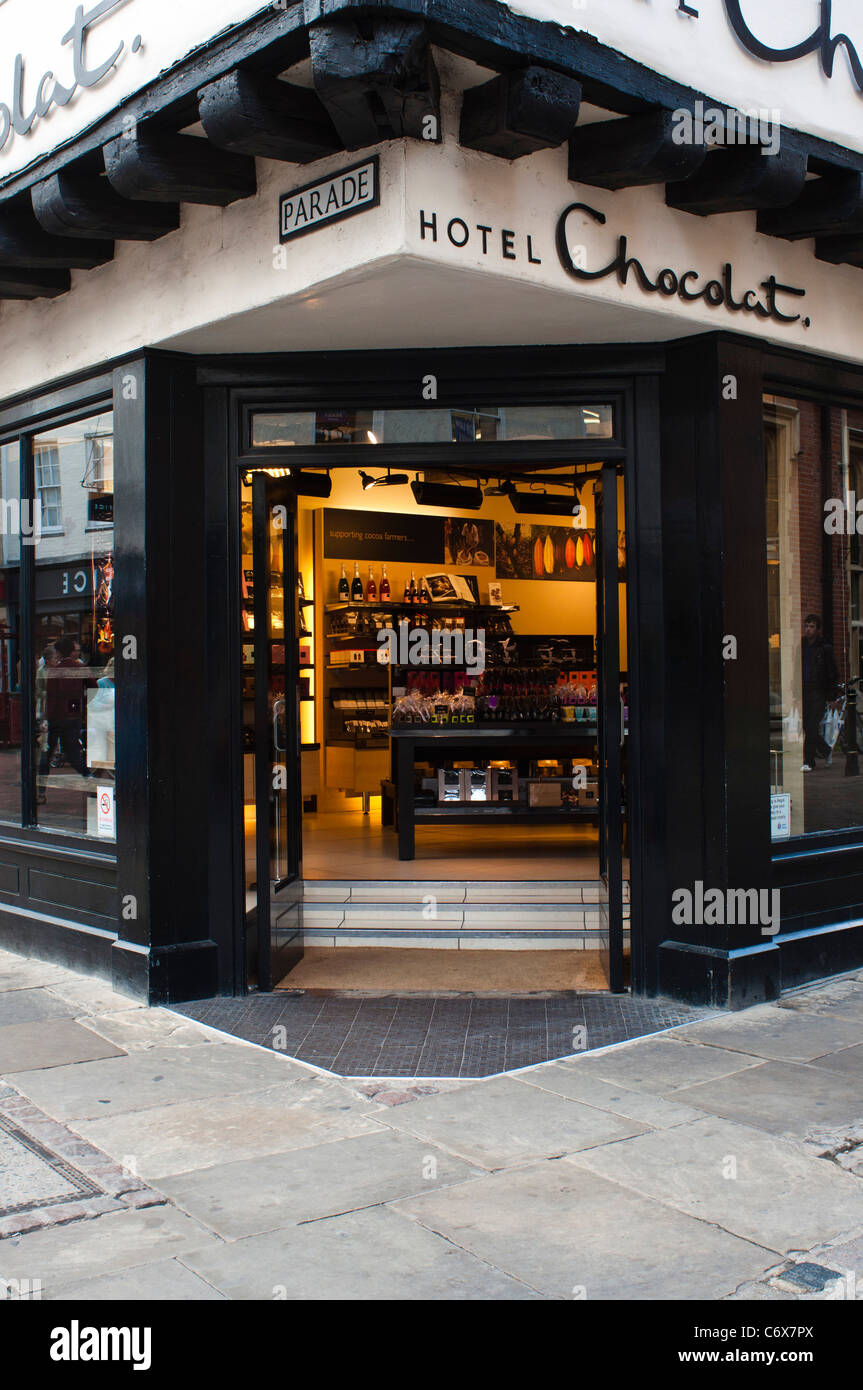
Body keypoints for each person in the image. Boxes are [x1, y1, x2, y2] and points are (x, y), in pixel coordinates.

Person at [38, 635, 88, 790]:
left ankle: (40, 790)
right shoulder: (75, 667)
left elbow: (52, 697)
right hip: (63, 715)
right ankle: (90, 779)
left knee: (51, 755)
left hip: (56, 716)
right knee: (67, 754)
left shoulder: (59, 670)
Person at [798, 615, 840, 772]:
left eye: (812, 626)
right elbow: (796, 668)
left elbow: (832, 673)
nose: (808, 629)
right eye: (806, 626)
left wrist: (831, 697)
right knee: (807, 727)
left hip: (819, 692)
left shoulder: (824, 648)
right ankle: (826, 750)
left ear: (818, 629)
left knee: (811, 725)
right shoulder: (801, 646)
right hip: (804, 691)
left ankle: (808, 761)